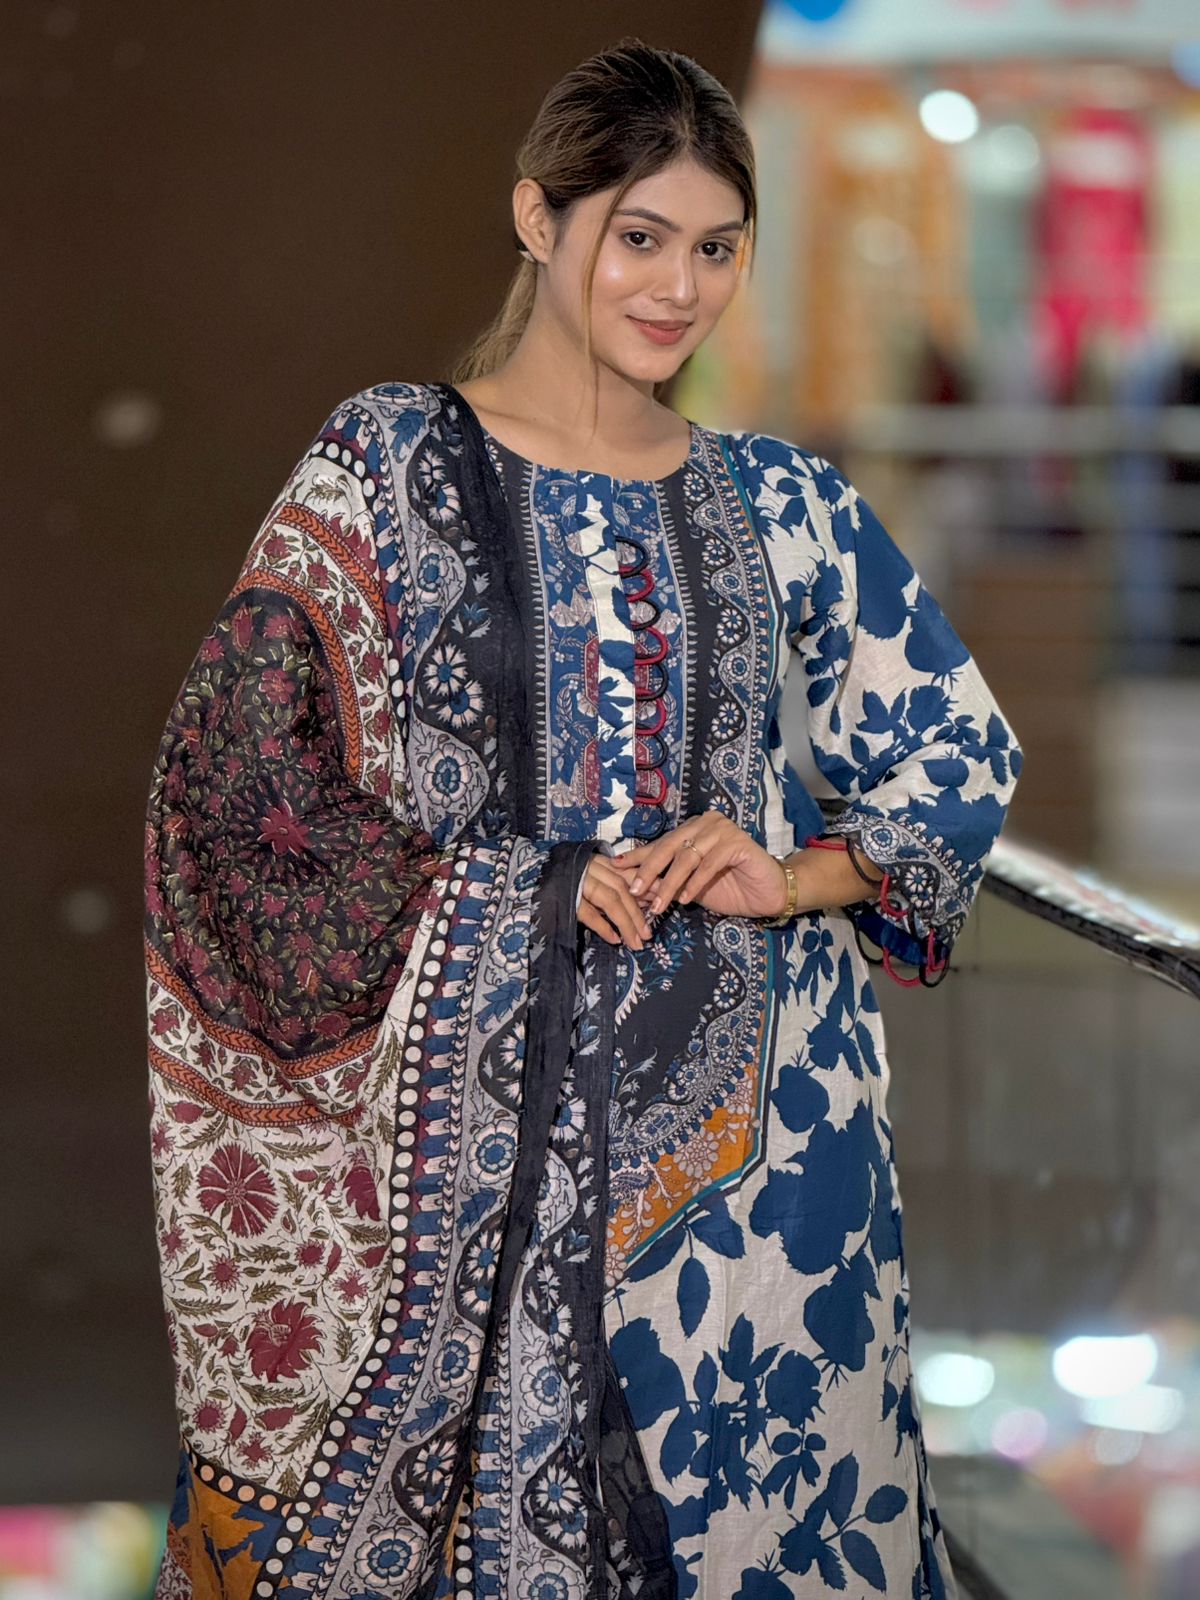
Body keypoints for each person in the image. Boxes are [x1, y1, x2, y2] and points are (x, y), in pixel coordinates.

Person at [144, 37, 1022, 1600]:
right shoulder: (390, 457)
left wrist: (792, 874)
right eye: (641, 237)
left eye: (718, 249)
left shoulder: (786, 502)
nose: (679, 288)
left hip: (770, 1176)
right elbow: (235, 786)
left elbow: (956, 755)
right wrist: (519, 890)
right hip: (458, 1176)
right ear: (538, 219)